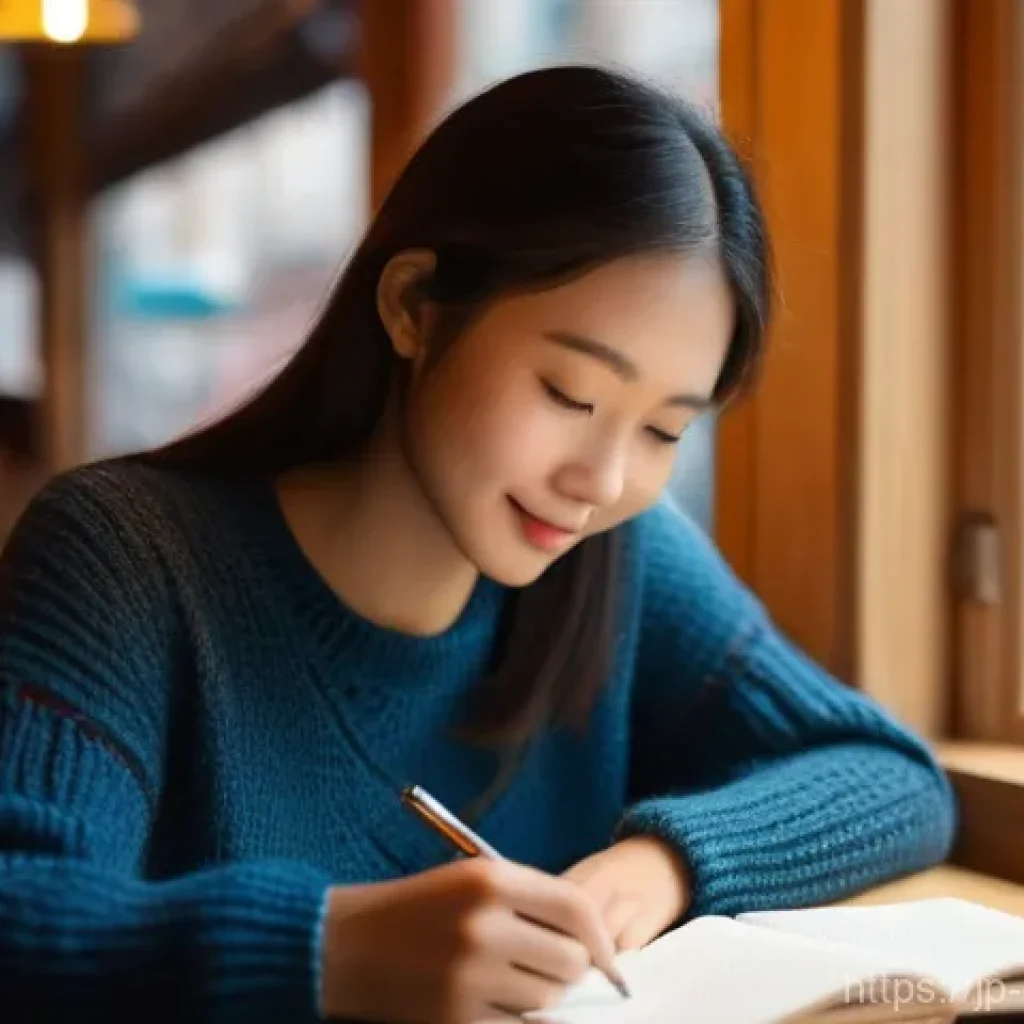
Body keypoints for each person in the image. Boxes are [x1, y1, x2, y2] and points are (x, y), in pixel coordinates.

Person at [0, 65, 956, 1024]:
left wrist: (665, 863)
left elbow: (890, 776)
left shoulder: (615, 564)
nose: (604, 480)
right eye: (571, 395)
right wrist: (331, 951)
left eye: (665, 429)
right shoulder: (124, 557)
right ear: (416, 307)